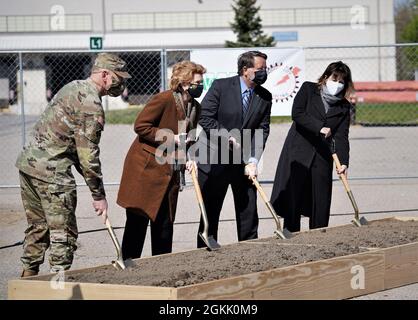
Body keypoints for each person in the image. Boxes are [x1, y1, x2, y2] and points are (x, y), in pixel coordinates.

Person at [16, 53, 131, 277]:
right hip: (52, 174)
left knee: (38, 228)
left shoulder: (73, 86)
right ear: (105, 74)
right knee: (63, 236)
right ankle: (57, 288)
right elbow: (88, 157)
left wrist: (94, 189)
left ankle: (26, 281)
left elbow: (76, 149)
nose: (121, 83)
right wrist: (98, 195)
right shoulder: (92, 105)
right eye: (118, 77)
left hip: (29, 166)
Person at [117, 61, 206, 259]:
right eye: (197, 82)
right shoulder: (164, 99)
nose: (201, 86)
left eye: (202, 82)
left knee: (165, 225)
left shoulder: (194, 107)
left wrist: (188, 159)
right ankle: (128, 268)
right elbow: (141, 126)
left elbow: (186, 140)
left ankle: (161, 268)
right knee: (137, 225)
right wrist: (170, 137)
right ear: (184, 83)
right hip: (146, 171)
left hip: (170, 173)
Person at [196, 50, 272, 248]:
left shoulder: (265, 96)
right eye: (260, 69)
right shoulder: (221, 87)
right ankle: (205, 253)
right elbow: (205, 117)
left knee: (248, 210)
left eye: (265, 68)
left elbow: (262, 131)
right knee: (210, 212)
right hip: (214, 159)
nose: (264, 72)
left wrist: (254, 161)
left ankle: (249, 251)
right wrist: (225, 135)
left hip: (243, 162)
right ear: (245, 70)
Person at [270, 61, 354, 232]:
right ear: (325, 77)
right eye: (334, 78)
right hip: (299, 150)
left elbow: (341, 136)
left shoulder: (344, 106)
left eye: (341, 81)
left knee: (321, 198)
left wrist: (343, 161)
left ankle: (319, 234)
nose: (337, 84)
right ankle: (290, 232)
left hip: (322, 155)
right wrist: (319, 127)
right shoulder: (308, 89)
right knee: (294, 195)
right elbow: (297, 113)